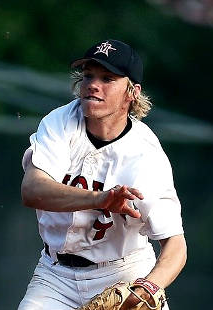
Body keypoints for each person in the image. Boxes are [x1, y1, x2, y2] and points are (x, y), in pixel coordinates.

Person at [17, 39, 187, 310]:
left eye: (107, 78)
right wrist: (102, 199)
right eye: (88, 76)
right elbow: (32, 191)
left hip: (123, 273)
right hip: (55, 277)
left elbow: (176, 245)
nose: (93, 85)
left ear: (132, 92)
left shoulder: (146, 156)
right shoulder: (60, 122)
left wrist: (148, 287)